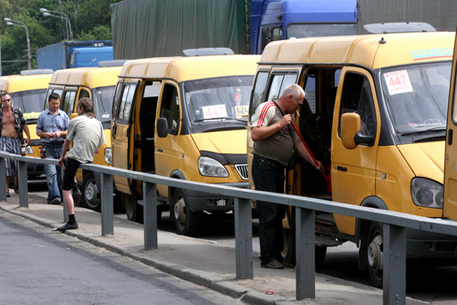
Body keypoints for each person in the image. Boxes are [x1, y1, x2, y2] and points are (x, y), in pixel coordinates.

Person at [250, 84, 323, 269]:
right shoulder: (269, 109)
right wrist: (279, 125)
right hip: (264, 166)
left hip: (278, 168)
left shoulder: (290, 117)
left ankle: (276, 255)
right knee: (268, 212)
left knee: (278, 213)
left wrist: (313, 162)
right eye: (298, 103)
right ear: (289, 98)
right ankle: (267, 258)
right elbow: (256, 134)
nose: (300, 107)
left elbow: (298, 144)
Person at [54, 98, 105, 232]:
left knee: (65, 187)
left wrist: (62, 156)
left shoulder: (75, 121)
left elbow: (66, 142)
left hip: (75, 157)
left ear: (81, 109)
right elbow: (98, 149)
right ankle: (75, 185)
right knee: (71, 166)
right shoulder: (98, 123)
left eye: (78, 108)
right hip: (89, 158)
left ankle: (71, 220)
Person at [36, 93, 70, 205]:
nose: (56, 106)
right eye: (53, 103)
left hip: (61, 147)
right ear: (49, 103)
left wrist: (60, 133)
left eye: (57, 103)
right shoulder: (43, 115)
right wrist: (45, 135)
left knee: (61, 175)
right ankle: (56, 197)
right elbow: (38, 131)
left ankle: (54, 196)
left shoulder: (64, 115)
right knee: (51, 173)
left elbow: (69, 132)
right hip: (48, 147)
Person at [0, 92, 31, 197]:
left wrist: (28, 136)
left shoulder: (17, 111)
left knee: (17, 163)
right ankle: (6, 189)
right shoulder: (0, 113)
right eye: (4, 100)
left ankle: (17, 185)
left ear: (11, 100)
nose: (6, 102)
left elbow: (24, 123)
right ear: (1, 101)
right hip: (4, 140)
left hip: (16, 139)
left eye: (8, 100)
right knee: (6, 164)